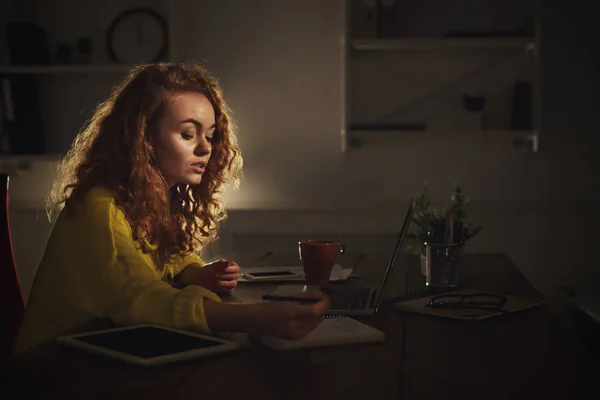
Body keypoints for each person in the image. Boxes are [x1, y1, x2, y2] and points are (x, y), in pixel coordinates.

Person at [13, 62, 328, 354]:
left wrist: (196, 273)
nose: (206, 147)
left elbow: (166, 262)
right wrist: (255, 316)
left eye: (210, 135)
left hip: (102, 349)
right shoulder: (102, 208)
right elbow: (142, 298)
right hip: (50, 366)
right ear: (143, 138)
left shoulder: (156, 198)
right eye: (188, 134)